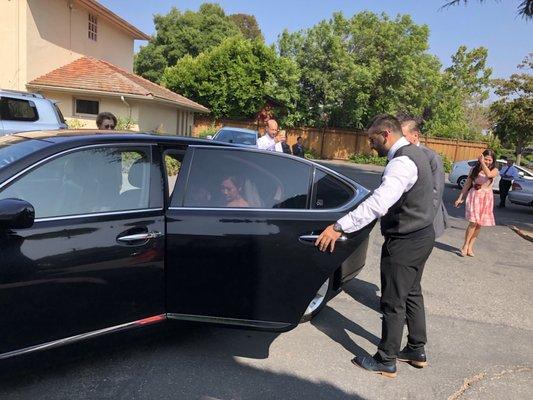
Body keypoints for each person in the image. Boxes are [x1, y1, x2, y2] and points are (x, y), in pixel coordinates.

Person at [315, 114, 435, 378]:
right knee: (412, 291)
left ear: (386, 135)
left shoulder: (401, 162)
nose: (371, 145)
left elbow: (379, 204)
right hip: (422, 234)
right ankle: (416, 349)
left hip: (405, 240)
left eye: (372, 139)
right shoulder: (417, 154)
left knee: (393, 299)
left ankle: (386, 359)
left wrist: (339, 226)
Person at [399, 117, 449, 238]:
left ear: (415, 135)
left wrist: (426, 220)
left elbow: (436, 191)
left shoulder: (431, 157)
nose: (399, 139)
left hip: (424, 217)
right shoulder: (399, 154)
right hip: (405, 216)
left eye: (403, 136)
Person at [454, 149, 498, 257]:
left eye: (489, 160)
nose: (487, 161)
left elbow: (488, 174)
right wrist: (460, 198)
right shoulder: (474, 169)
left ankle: (470, 246)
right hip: (475, 196)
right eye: (486, 159)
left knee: (479, 224)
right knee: (473, 222)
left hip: (486, 198)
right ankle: (465, 245)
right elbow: (467, 184)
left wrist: (482, 162)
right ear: (482, 157)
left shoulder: (495, 170)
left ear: (493, 161)